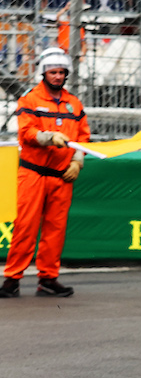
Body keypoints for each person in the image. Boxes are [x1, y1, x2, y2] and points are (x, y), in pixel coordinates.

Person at [1, 50, 90, 298]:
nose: (58, 76)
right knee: (25, 227)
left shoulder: (74, 103)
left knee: (55, 230)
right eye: (53, 72)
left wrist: (77, 161)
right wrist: (49, 137)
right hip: (33, 174)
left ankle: (48, 279)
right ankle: (12, 279)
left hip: (62, 176)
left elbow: (83, 135)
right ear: (44, 72)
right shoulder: (30, 100)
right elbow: (26, 133)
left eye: (62, 72)